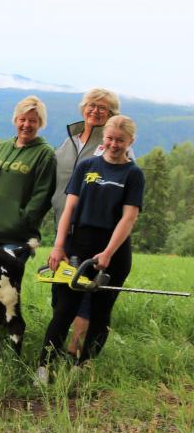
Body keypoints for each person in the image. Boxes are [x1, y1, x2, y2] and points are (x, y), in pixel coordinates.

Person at [37, 116, 143, 385]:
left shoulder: (132, 174)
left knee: (99, 312)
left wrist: (107, 253)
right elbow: (69, 208)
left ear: (130, 141)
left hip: (113, 252)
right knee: (64, 310)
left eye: (120, 140)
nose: (114, 144)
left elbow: (128, 218)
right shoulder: (87, 166)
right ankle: (44, 368)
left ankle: (82, 367)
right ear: (103, 137)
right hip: (78, 245)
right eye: (110, 138)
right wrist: (59, 245)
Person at [0, 96, 56, 334]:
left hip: (17, 237)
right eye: (22, 119)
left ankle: (11, 334)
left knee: (5, 287)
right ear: (15, 120)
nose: (26, 125)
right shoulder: (0, 148)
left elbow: (43, 194)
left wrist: (23, 219)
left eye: (33, 120)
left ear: (41, 123)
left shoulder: (44, 154)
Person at [51, 88, 132, 225]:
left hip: (97, 229)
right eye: (91, 105)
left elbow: (127, 186)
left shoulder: (114, 146)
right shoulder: (69, 142)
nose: (95, 111)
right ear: (84, 108)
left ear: (111, 114)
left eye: (102, 108)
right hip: (62, 223)